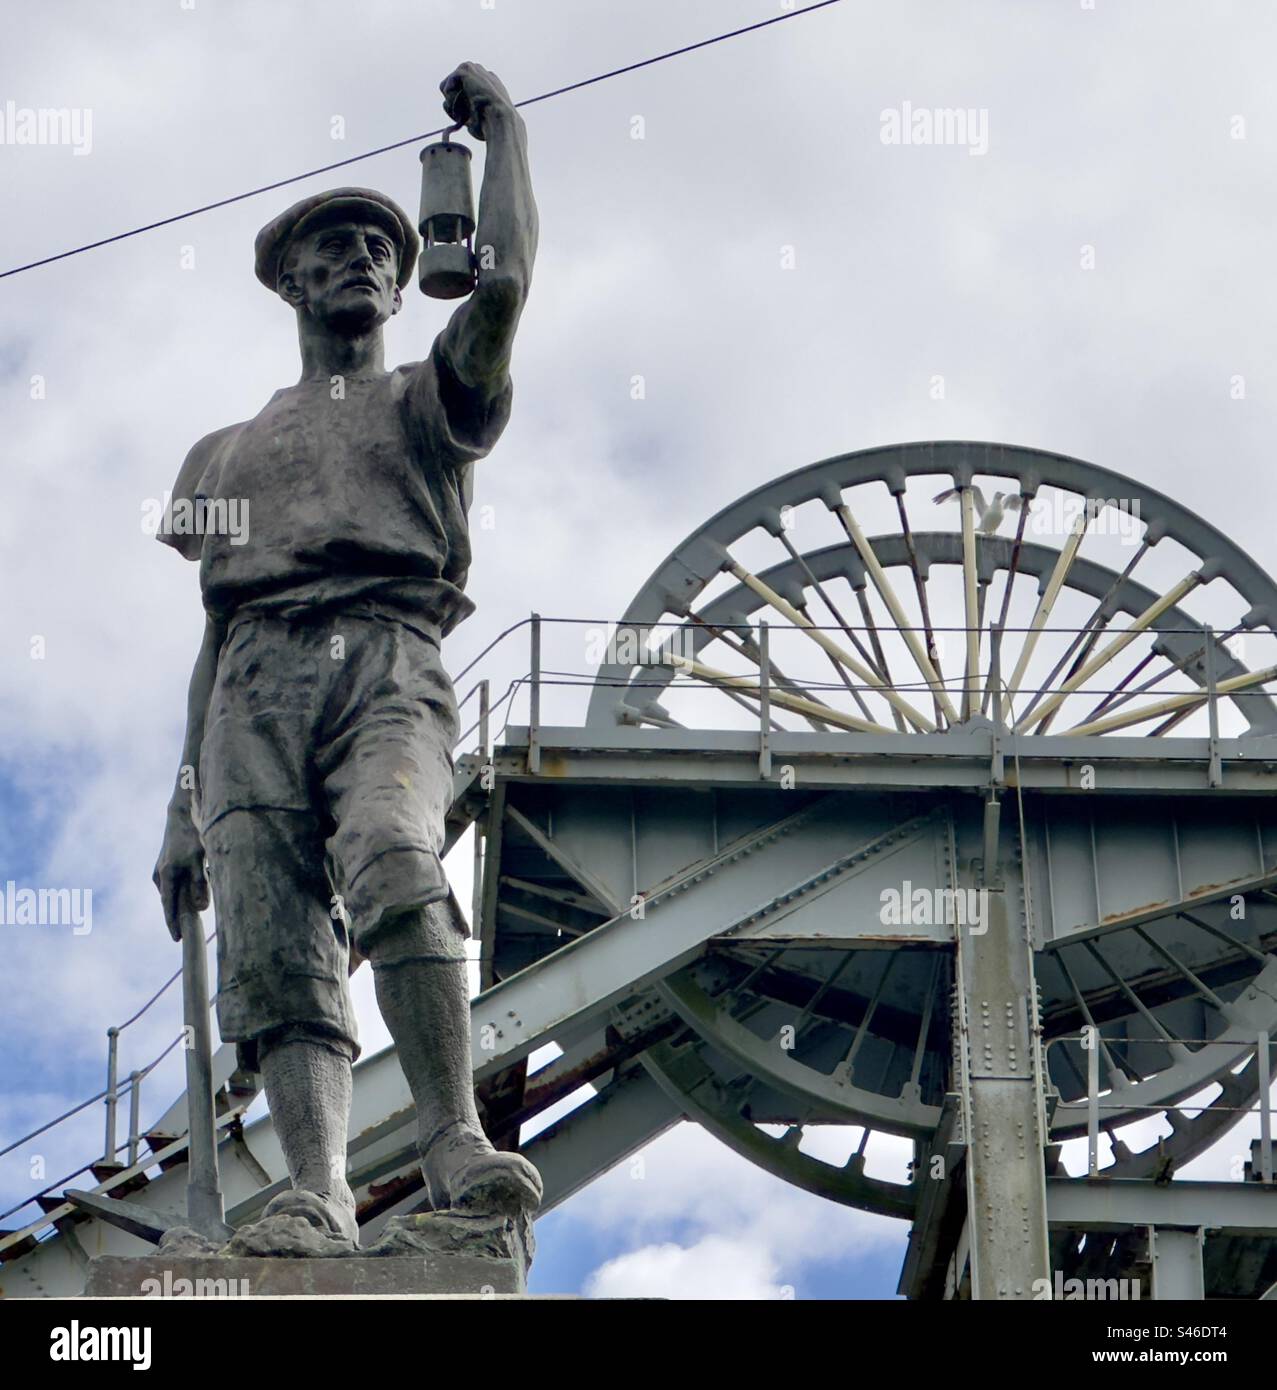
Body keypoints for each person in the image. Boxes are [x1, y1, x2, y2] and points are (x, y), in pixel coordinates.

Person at [152, 62, 540, 1243]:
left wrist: (507, 139)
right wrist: (181, 803)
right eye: (331, 248)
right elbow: (215, 625)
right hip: (251, 689)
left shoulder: (428, 402)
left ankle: (449, 1134)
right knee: (274, 948)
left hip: (385, 657)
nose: (362, 261)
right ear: (291, 280)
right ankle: (315, 1186)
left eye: (379, 246)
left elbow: (508, 284)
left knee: (393, 857)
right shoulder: (222, 454)